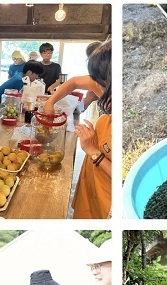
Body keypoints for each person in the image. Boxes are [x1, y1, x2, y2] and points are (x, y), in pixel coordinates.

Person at [45, 40, 112, 219]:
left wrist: (92, 150)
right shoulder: (105, 88)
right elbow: (74, 82)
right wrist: (50, 102)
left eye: (99, 81)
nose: (94, 86)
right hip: (90, 179)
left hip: (106, 196)